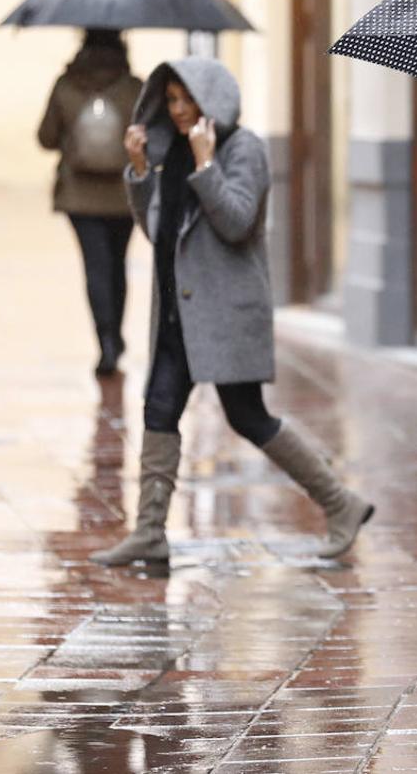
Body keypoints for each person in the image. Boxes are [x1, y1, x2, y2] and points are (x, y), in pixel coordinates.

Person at [91, 58, 374, 566]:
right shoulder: (172, 153)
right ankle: (150, 531)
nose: (178, 111)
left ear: (211, 100)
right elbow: (158, 233)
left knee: (248, 416)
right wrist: (139, 173)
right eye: (171, 100)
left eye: (187, 100)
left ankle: (341, 503)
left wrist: (206, 165)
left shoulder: (245, 149)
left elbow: (238, 221)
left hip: (225, 313)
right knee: (159, 410)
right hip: (177, 312)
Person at [38, 29, 143, 374]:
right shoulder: (134, 89)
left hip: (78, 195)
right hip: (124, 194)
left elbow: (46, 137)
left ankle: (105, 341)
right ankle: (116, 332)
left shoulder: (66, 86)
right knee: (117, 265)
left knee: (95, 267)